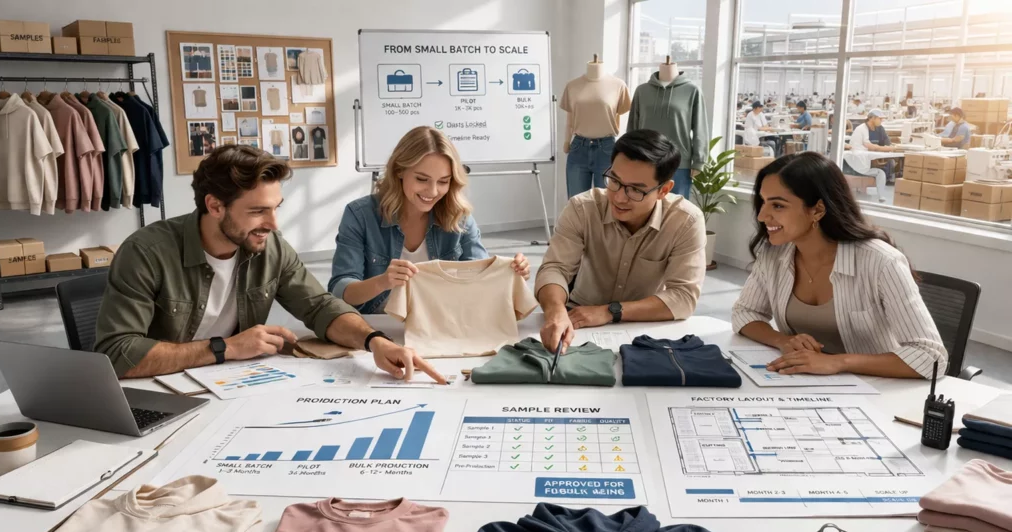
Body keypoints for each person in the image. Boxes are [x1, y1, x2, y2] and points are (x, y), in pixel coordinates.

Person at [94, 145, 446, 384]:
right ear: (215, 206)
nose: (274, 224)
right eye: (258, 211)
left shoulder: (269, 246)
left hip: (232, 386)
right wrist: (226, 347)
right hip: (165, 392)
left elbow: (321, 307)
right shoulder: (146, 252)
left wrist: (375, 342)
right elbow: (116, 354)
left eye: (276, 207)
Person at [732, 152, 946, 379]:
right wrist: (782, 341)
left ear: (817, 210)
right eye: (763, 202)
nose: (763, 216)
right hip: (802, 384)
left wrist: (837, 362)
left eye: (777, 206)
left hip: (877, 391)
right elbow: (745, 312)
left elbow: (931, 357)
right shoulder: (774, 253)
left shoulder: (882, 262)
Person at [535, 129, 706, 353]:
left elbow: (683, 297)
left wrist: (609, 311)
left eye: (635, 190)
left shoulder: (685, 221)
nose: (619, 197)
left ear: (664, 190)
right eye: (614, 180)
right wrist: (556, 311)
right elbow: (555, 268)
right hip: (578, 319)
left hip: (644, 326)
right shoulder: (582, 208)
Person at [329, 127, 530, 314]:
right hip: (377, 329)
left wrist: (510, 273)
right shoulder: (360, 215)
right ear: (399, 170)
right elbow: (340, 291)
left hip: (442, 325)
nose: (433, 192)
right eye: (422, 179)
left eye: (443, 181)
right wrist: (383, 282)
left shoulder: (459, 217)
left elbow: (479, 282)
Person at [843, 109, 895, 202]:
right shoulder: (862, 128)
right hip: (858, 162)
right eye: (880, 119)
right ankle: (881, 196)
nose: (881, 121)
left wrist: (889, 147)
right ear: (872, 118)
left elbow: (885, 142)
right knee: (880, 173)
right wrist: (887, 149)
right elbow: (870, 146)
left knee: (881, 172)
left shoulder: (879, 129)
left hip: (865, 160)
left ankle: (881, 196)